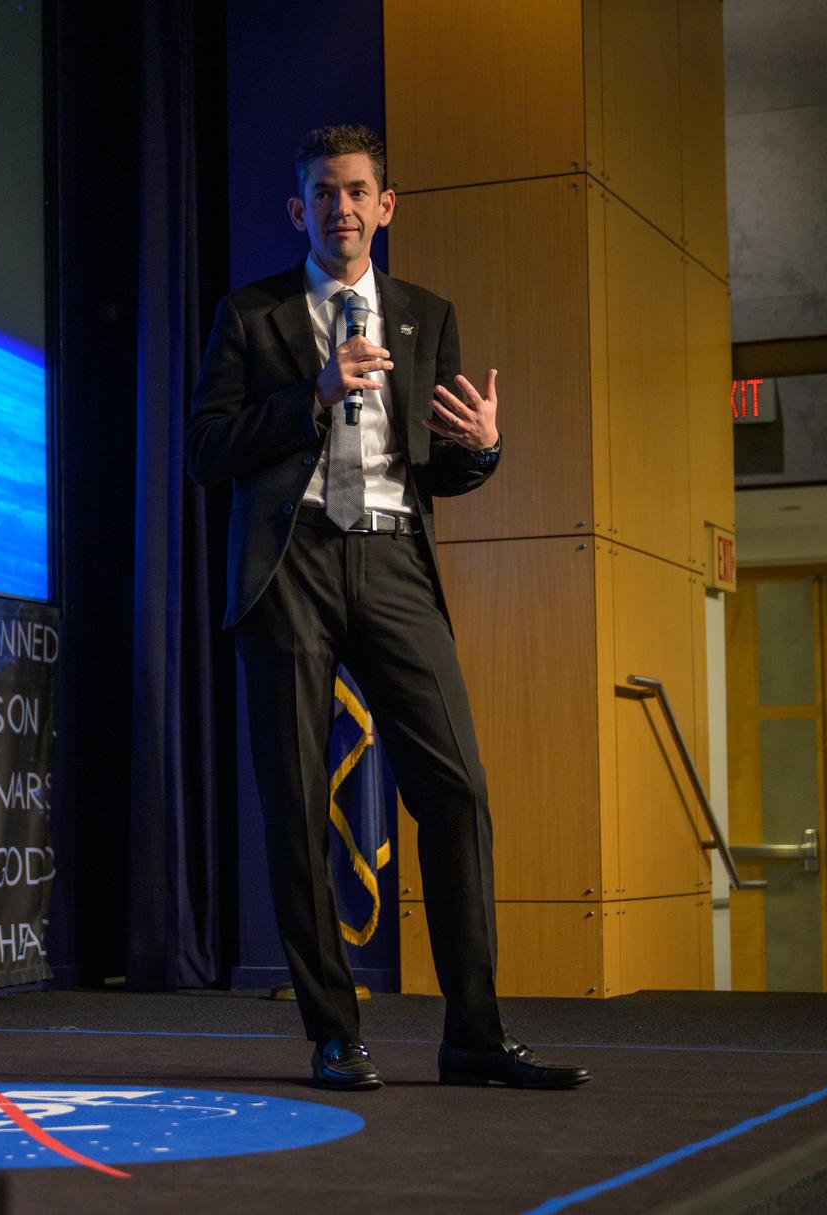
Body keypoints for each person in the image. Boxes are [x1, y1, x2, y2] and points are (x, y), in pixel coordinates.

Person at [185, 124, 588, 1092]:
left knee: (456, 787)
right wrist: (314, 394)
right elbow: (205, 451)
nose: (343, 208)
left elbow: (438, 463)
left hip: (396, 558)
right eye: (325, 193)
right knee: (296, 805)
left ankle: (475, 1034)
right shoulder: (251, 316)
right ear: (300, 209)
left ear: (386, 205)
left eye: (359, 191)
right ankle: (335, 1032)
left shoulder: (423, 316)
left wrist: (484, 448)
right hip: (291, 563)